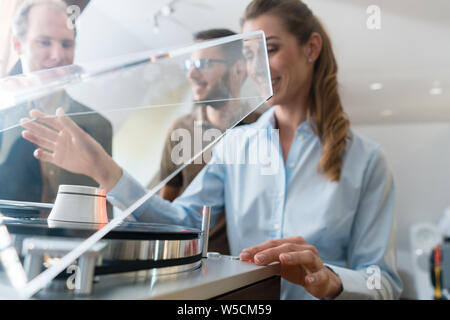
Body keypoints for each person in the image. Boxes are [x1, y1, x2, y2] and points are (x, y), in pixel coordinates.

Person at [20, 0, 403, 300]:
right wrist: (105, 171)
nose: (257, 68)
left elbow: (383, 281)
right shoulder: (235, 145)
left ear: (311, 48)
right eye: (249, 54)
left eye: (269, 49)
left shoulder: (368, 161)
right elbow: (184, 223)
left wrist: (331, 280)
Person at [158, 28, 266, 254]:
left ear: (238, 69)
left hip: (248, 266)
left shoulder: (264, 127)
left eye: (203, 64)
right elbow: (166, 205)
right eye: (190, 65)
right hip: (188, 261)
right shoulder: (181, 129)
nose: (192, 75)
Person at [0, 0, 112, 214]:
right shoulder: (2, 114)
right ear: (17, 44)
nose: (58, 56)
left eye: (66, 44)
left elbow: (101, 214)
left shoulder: (98, 126)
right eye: (44, 42)